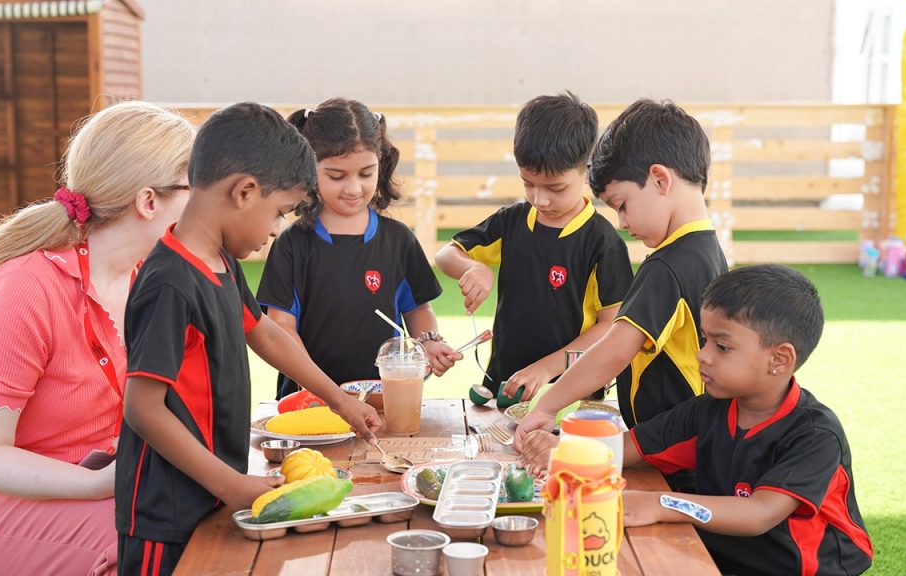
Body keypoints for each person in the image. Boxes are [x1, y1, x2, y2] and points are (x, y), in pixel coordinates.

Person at [115, 102, 382, 575]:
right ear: (244, 192)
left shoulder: (221, 263)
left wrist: (338, 399)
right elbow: (143, 408)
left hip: (211, 491)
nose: (276, 229)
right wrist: (230, 484)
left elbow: (266, 335)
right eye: (278, 212)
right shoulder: (169, 283)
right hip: (165, 514)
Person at [0, 101, 196, 576]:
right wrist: (102, 484)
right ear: (149, 202)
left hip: (113, 485)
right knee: (156, 539)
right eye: (195, 188)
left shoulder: (147, 279)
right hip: (5, 506)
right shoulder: (27, 286)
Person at [527, 265, 874, 575]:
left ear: (779, 360)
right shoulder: (706, 411)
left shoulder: (815, 434)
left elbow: (758, 514)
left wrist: (660, 503)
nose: (702, 355)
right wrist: (562, 449)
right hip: (723, 561)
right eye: (705, 339)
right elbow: (623, 449)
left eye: (722, 347)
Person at [515, 99, 728, 472]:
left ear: (660, 180)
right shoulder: (709, 251)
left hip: (670, 459)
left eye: (622, 205)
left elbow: (614, 350)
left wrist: (546, 406)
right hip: (693, 446)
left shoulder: (666, 267)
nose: (623, 222)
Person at [435, 92, 633, 404]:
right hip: (504, 386)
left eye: (556, 188)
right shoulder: (511, 222)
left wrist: (544, 370)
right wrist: (473, 267)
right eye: (528, 183)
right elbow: (446, 255)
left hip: (570, 394)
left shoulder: (602, 242)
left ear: (587, 171)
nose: (539, 199)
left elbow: (611, 327)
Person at [256, 98, 460, 399]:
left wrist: (428, 342)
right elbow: (281, 326)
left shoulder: (399, 240)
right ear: (309, 170)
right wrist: (321, 390)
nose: (353, 188)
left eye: (366, 173)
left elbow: (418, 309)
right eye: (336, 176)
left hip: (384, 398)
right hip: (310, 401)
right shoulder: (292, 245)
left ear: (381, 164)